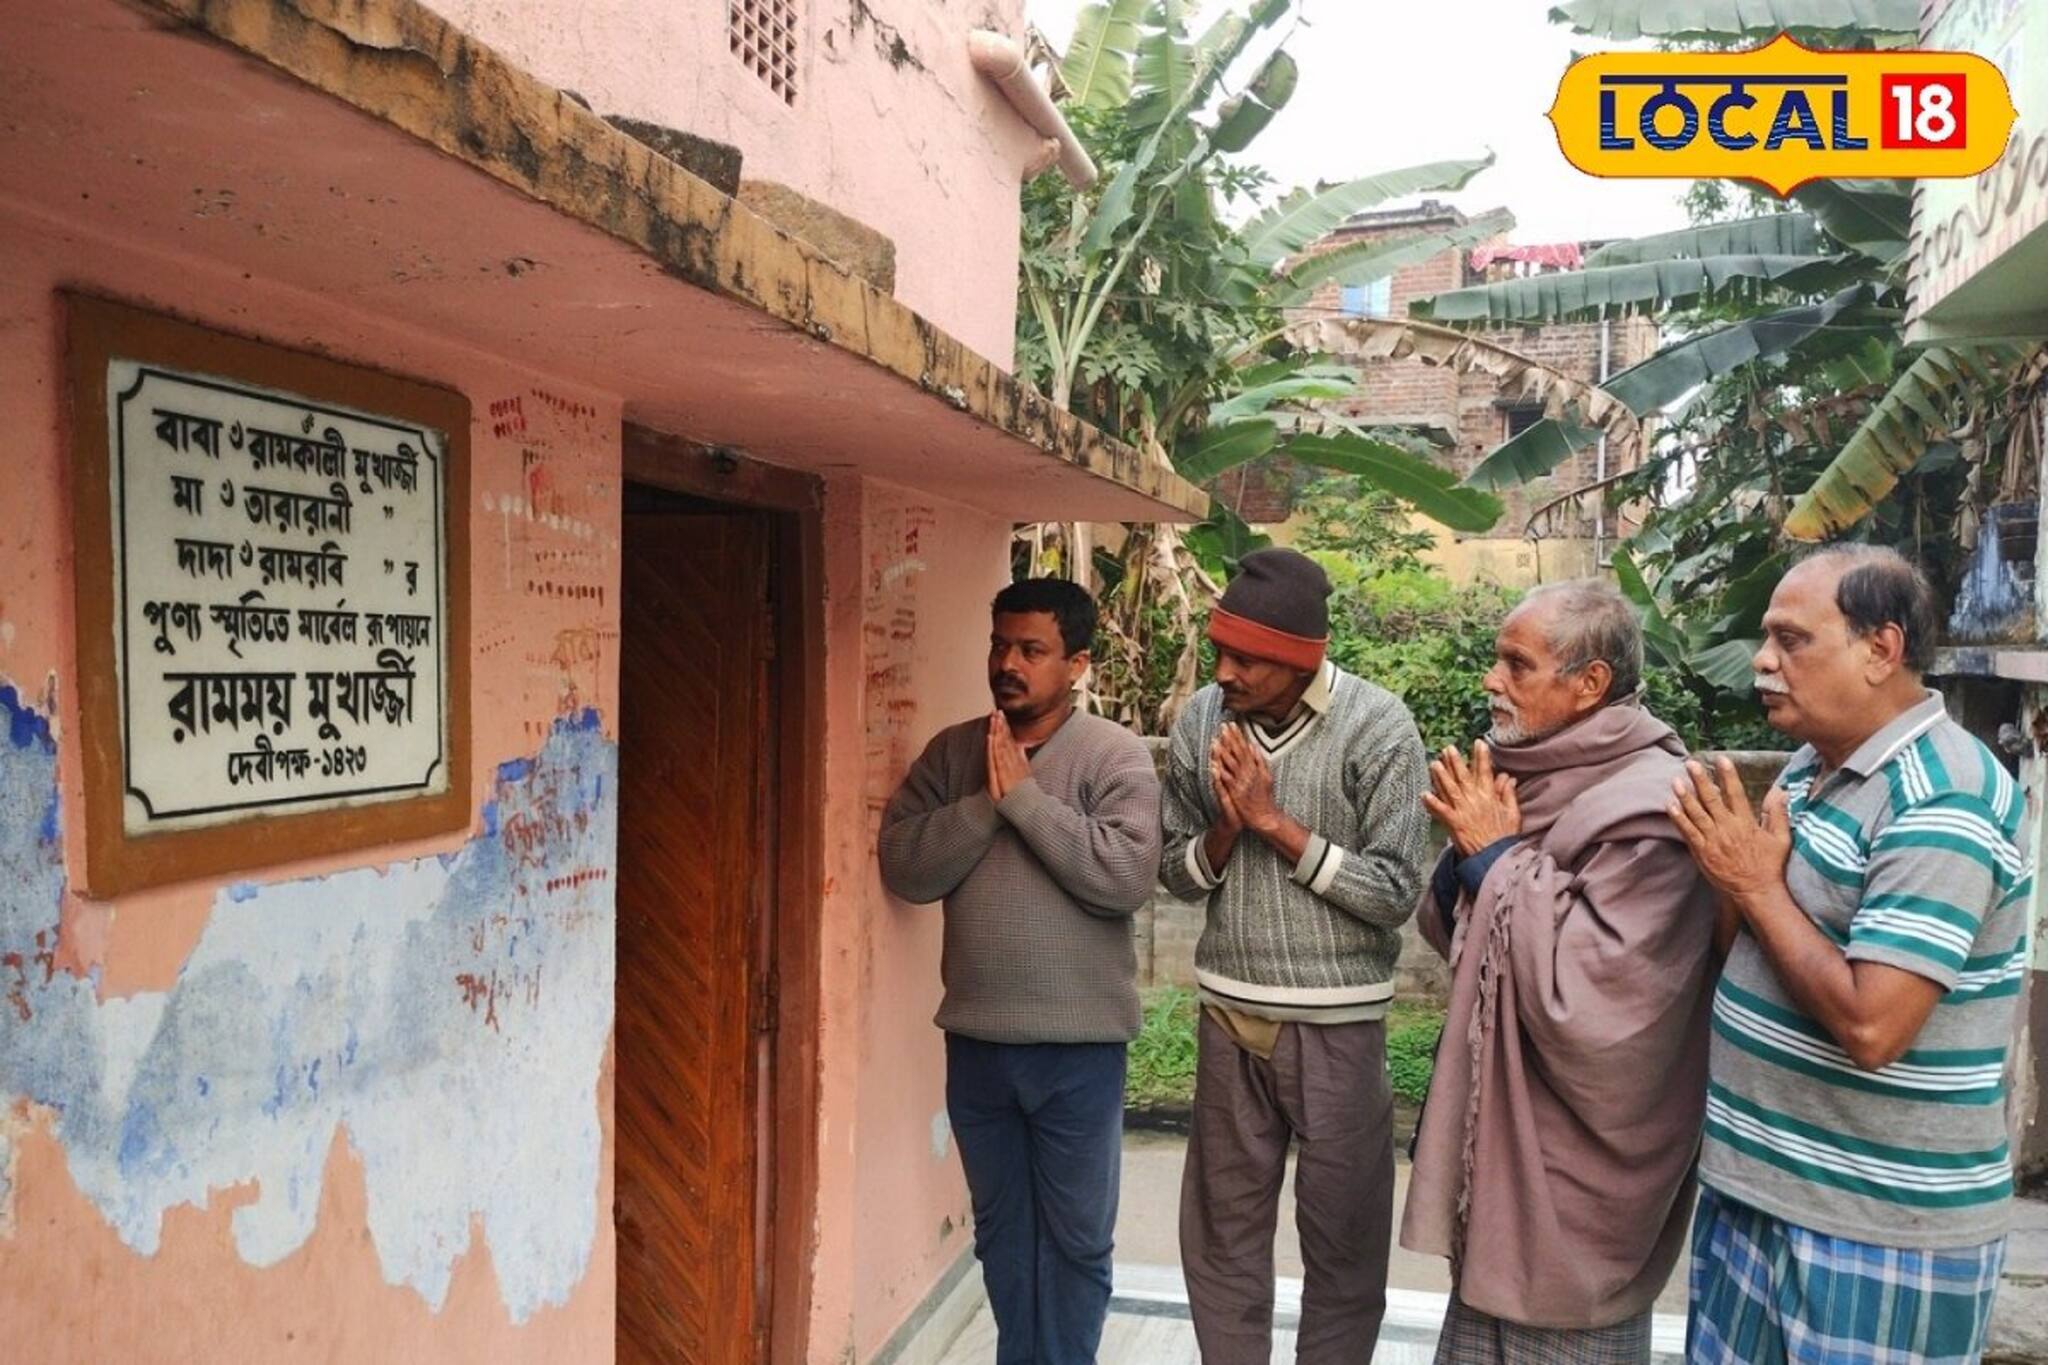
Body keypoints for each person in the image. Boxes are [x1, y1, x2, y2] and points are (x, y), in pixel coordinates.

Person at [1670, 546, 2026, 1365]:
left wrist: (1756, 885)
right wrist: (1734, 878)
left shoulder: (1945, 795)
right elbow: (1748, 956)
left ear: (1881, 650)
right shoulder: (1809, 768)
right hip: (1759, 1193)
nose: (1764, 660)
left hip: (1878, 1232)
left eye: (1792, 639)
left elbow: (1874, 1028)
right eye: (1766, 637)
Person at [1404, 580, 1719, 1365]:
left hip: (1577, 1175)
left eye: (1516, 663)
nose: (1491, 679)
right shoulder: (1530, 778)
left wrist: (1496, 856)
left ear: (1590, 685)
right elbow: (1460, 930)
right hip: (1504, 1149)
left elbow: (1596, 997)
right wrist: (1471, 856)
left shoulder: (1652, 805)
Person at [877, 577, 1161, 1365]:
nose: (1008, 662)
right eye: (1000, 644)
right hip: (978, 1044)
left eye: (1031, 650)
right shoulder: (954, 753)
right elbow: (904, 863)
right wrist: (986, 804)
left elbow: (1125, 876)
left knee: (1074, 1240)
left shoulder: (1114, 756)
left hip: (1078, 1051)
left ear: (1076, 664)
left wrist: (1029, 801)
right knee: (1003, 1238)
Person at [1158, 546, 1430, 1365]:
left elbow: (1394, 891)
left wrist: (1274, 824)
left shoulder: (1380, 726)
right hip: (1225, 1017)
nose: (1223, 671)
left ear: (1299, 658)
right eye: (1219, 650)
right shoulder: (1202, 719)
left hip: (1337, 1030)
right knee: (1220, 1241)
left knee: (1343, 1245)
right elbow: (1174, 872)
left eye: (1244, 657)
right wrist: (1227, 826)